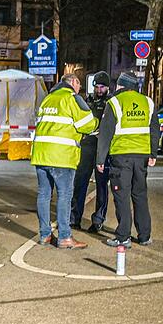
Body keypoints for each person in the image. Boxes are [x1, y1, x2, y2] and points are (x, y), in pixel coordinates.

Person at [31, 73, 98, 250]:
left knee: (44, 195)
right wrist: (98, 122)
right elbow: (88, 124)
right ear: (74, 83)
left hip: (40, 154)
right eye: (79, 84)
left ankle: (45, 235)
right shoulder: (72, 98)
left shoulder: (48, 99)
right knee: (64, 195)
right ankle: (65, 237)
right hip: (62, 156)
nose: (80, 88)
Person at [96, 71, 160, 248]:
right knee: (140, 195)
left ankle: (123, 235)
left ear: (121, 86)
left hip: (121, 157)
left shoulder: (115, 102)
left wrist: (100, 159)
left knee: (121, 196)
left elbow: (105, 133)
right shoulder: (148, 102)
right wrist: (153, 154)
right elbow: (155, 129)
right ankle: (145, 235)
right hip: (141, 158)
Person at [70, 71, 111, 234]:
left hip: (102, 149)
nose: (99, 90)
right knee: (80, 183)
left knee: (102, 185)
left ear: (108, 87)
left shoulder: (110, 102)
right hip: (86, 147)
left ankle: (98, 220)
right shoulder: (88, 101)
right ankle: (75, 218)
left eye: (102, 87)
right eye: (96, 87)